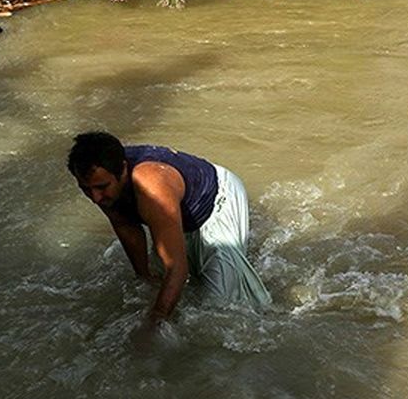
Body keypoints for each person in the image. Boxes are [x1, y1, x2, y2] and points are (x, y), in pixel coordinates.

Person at [68, 132, 271, 342]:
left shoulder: (152, 185)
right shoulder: (103, 186)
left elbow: (177, 269)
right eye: (85, 189)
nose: (95, 198)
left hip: (217, 199)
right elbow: (126, 227)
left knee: (221, 309)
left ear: (123, 170)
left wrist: (155, 320)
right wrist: (144, 276)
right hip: (174, 211)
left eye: (101, 188)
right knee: (159, 287)